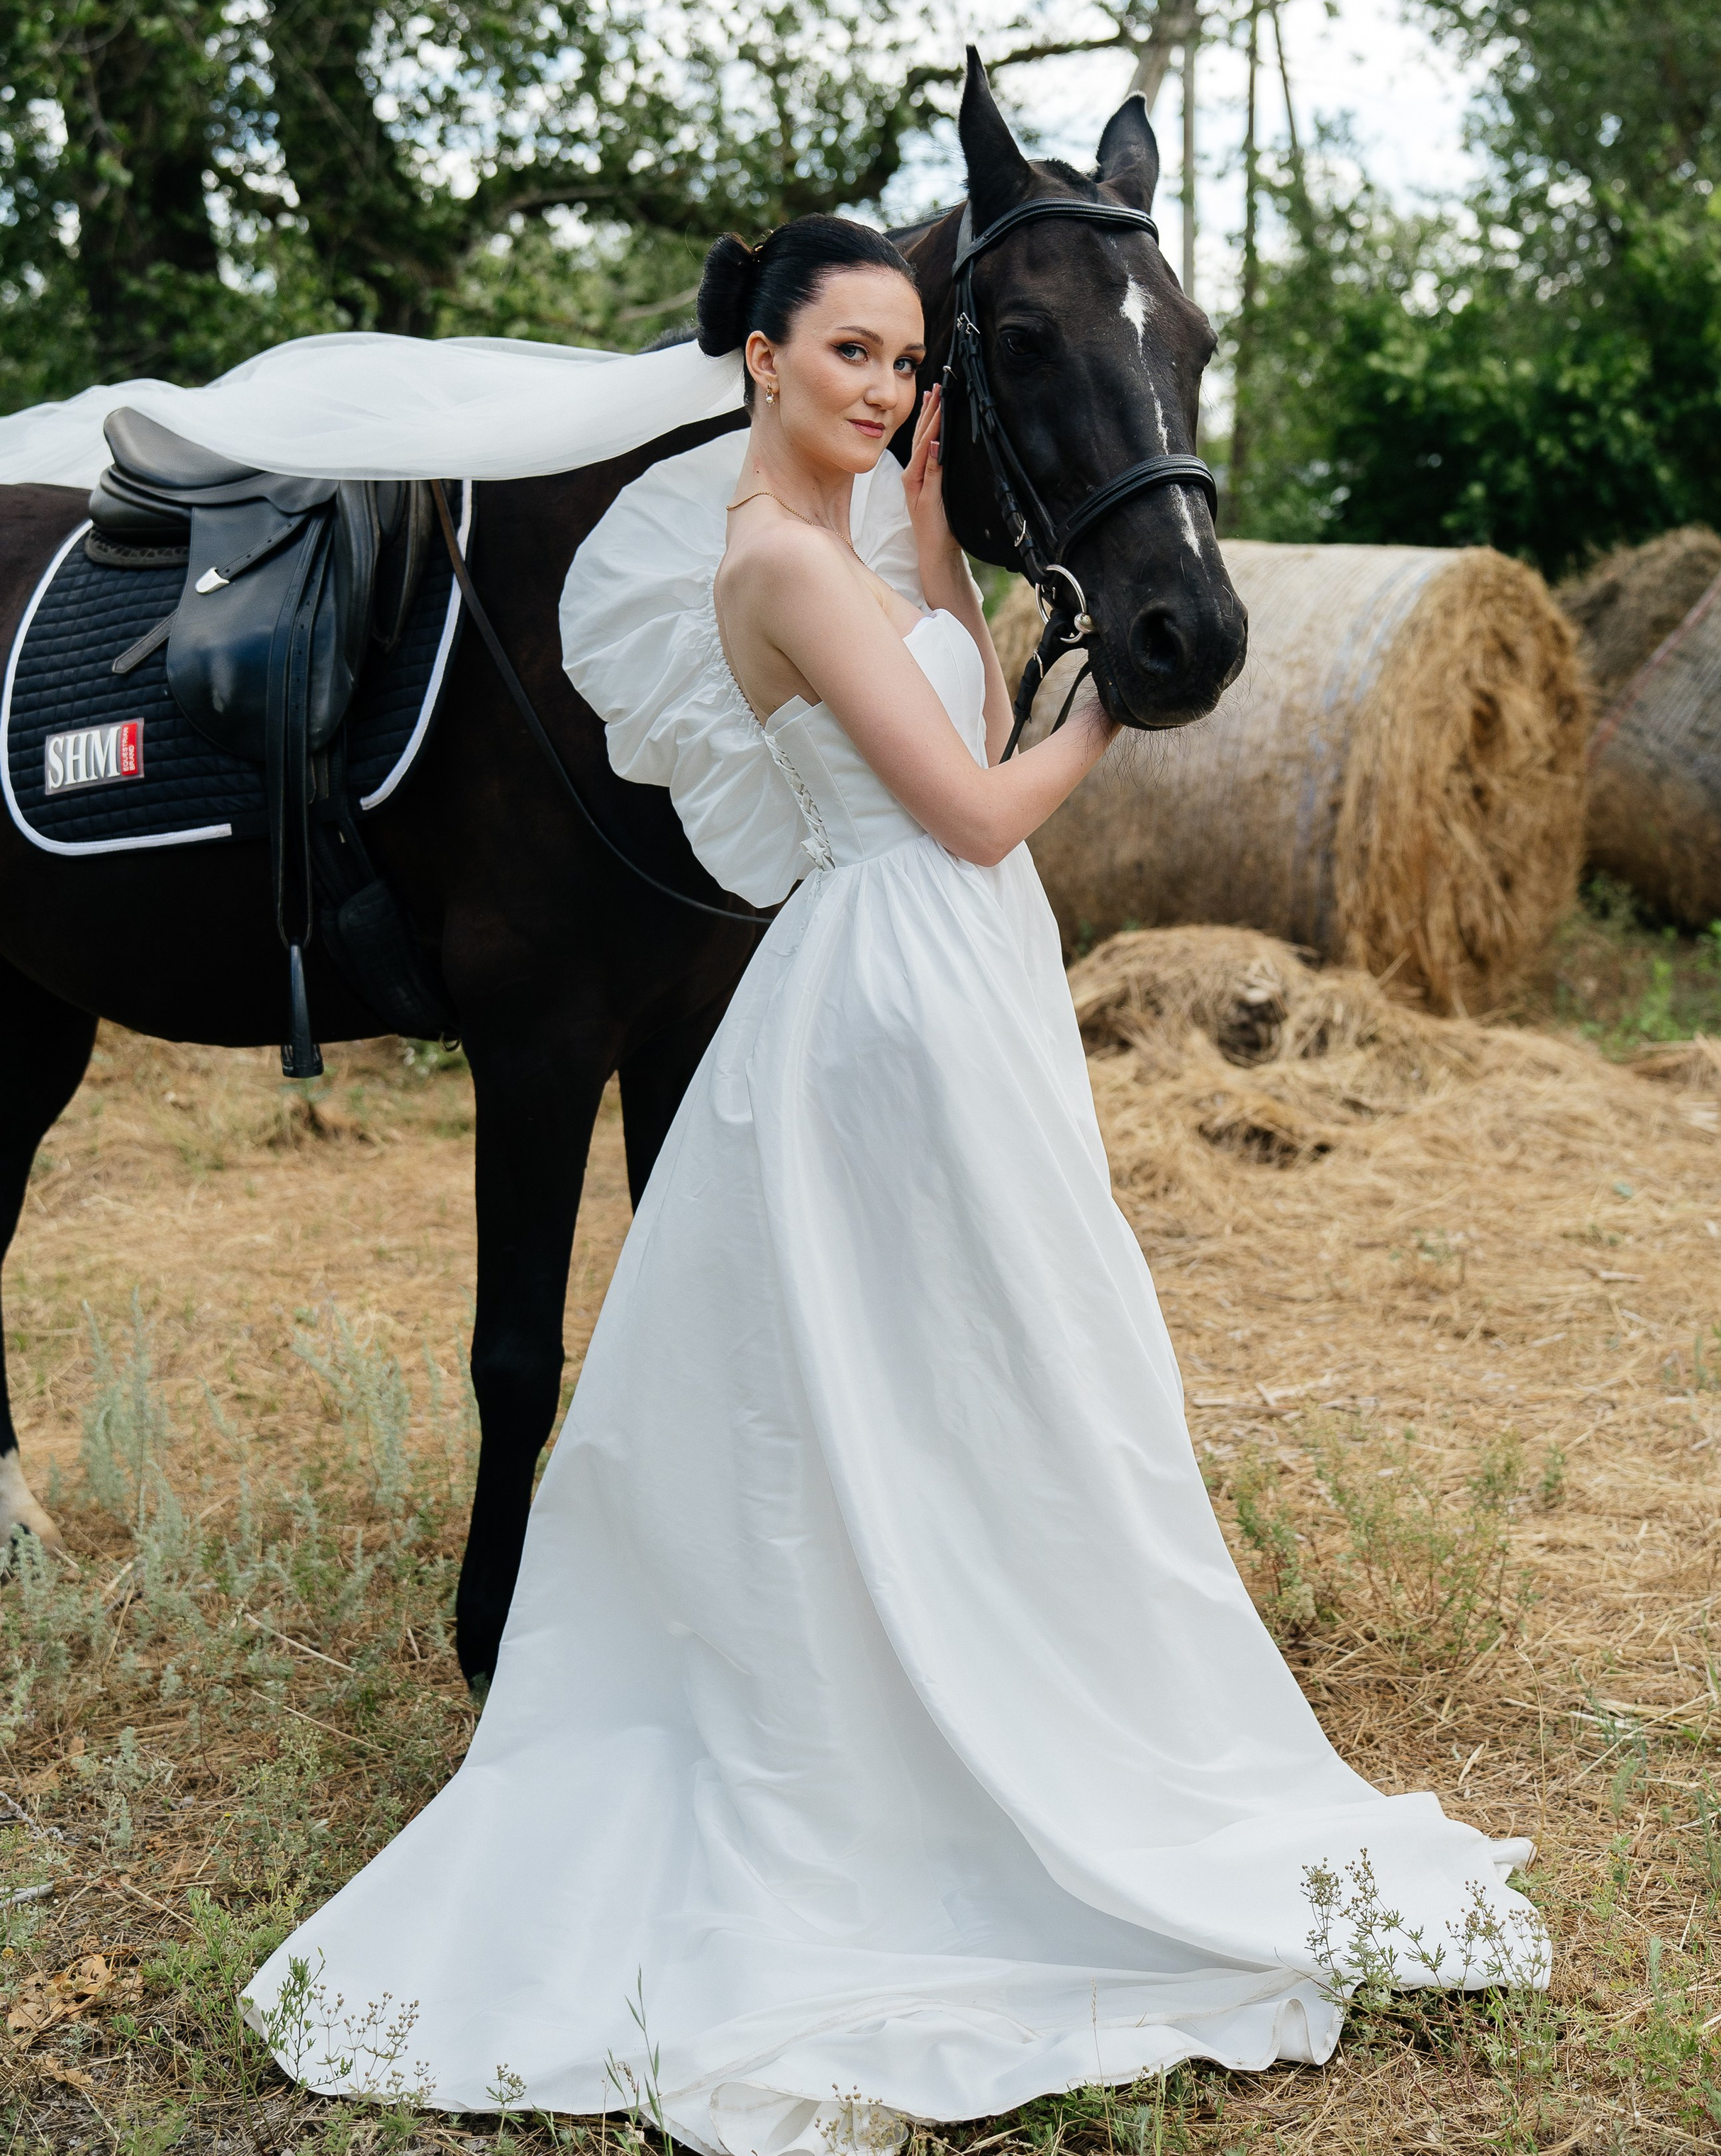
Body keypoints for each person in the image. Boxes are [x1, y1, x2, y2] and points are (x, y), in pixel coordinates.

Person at [238, 215, 1544, 2150]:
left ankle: (1002, 1664)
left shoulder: (857, 548)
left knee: (995, 1356)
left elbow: (948, 695)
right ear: (758, 361)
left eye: (906, 363)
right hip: (899, 983)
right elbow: (979, 803)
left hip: (957, 972)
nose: (880, 386)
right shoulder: (772, 561)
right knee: (951, 1348)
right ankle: (895, 1733)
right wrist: (1112, 696)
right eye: (848, 353)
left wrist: (942, 531)